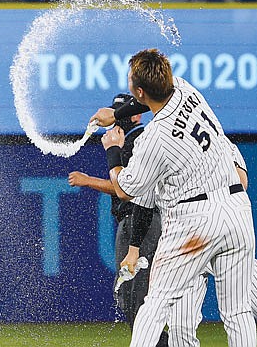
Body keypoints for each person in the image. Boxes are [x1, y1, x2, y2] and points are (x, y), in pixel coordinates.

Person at [99, 48, 256, 346]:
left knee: (155, 305)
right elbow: (151, 101)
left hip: (195, 221)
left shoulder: (153, 139)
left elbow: (124, 188)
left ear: (140, 92)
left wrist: (113, 151)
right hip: (236, 209)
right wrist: (116, 115)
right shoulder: (186, 88)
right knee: (237, 313)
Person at [69, 93, 168, 346]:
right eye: (116, 111)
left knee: (135, 298)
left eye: (123, 111)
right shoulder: (132, 138)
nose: (119, 117)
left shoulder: (138, 138)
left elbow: (128, 187)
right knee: (133, 298)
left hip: (141, 221)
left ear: (136, 113)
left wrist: (88, 180)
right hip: (143, 221)